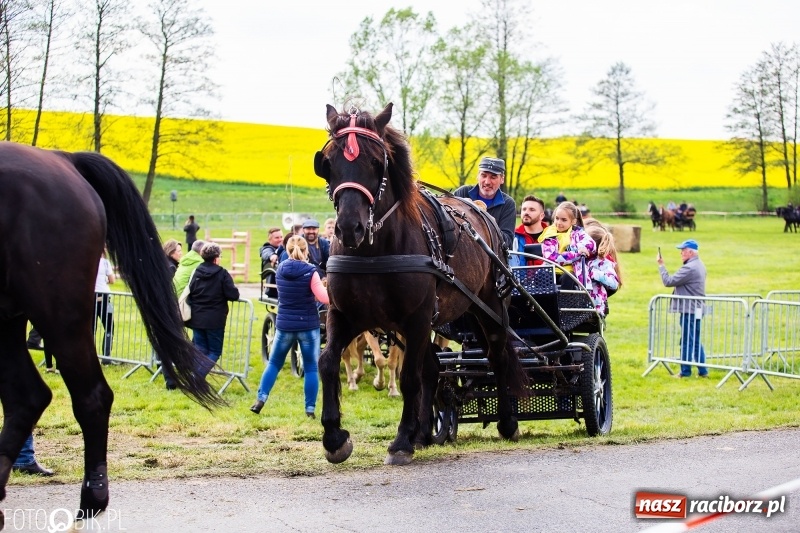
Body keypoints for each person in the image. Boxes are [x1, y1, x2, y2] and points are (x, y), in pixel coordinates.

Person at [251, 236, 329, 419]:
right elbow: (324, 298)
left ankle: (260, 399)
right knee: (311, 367)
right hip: (308, 325)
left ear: (286, 249)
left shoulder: (280, 270)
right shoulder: (311, 272)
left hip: (285, 325)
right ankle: (309, 409)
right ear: (306, 251)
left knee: (274, 363)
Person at [185, 243, 240, 377]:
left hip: (197, 317)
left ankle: (194, 377)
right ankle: (196, 379)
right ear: (216, 258)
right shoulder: (222, 273)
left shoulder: (196, 271)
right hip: (215, 319)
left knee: (200, 349)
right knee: (214, 351)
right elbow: (233, 295)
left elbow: (190, 291)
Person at [658, 239, 708, 379]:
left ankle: (685, 372)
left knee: (686, 340)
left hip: (689, 309)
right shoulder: (700, 265)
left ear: (690, 252)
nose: (681, 253)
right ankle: (703, 371)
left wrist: (661, 266)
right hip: (697, 309)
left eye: (683, 250)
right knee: (695, 340)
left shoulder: (689, 268)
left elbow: (668, 281)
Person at [453, 157, 516, 247]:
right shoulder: (462, 193)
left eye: (493, 177)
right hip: (460, 250)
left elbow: (507, 242)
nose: (487, 182)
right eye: (483, 175)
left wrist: (488, 222)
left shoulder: (508, 204)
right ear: (478, 176)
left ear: (502, 179)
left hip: (488, 258)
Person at [540, 202, 595, 288]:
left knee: (569, 277)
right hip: (551, 271)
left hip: (572, 272)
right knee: (541, 276)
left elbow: (591, 244)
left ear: (573, 221)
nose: (559, 222)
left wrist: (579, 247)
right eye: (557, 218)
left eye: (564, 220)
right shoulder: (549, 235)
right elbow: (551, 257)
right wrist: (577, 254)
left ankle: (566, 300)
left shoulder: (578, 233)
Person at [584, 221, 621, 316]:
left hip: (595, 307)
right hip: (580, 304)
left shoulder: (604, 263)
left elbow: (614, 283)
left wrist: (595, 274)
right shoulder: (582, 259)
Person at [511, 195, 548, 267]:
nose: (526, 212)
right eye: (524, 209)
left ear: (542, 216)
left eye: (532, 210)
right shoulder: (513, 236)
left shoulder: (552, 236)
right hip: (519, 278)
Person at [94, 250, 115, 361]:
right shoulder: (105, 262)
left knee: (91, 328)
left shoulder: (89, 259)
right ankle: (106, 357)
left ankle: (90, 355)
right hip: (104, 297)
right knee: (109, 327)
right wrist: (105, 279)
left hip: (91, 297)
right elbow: (112, 280)